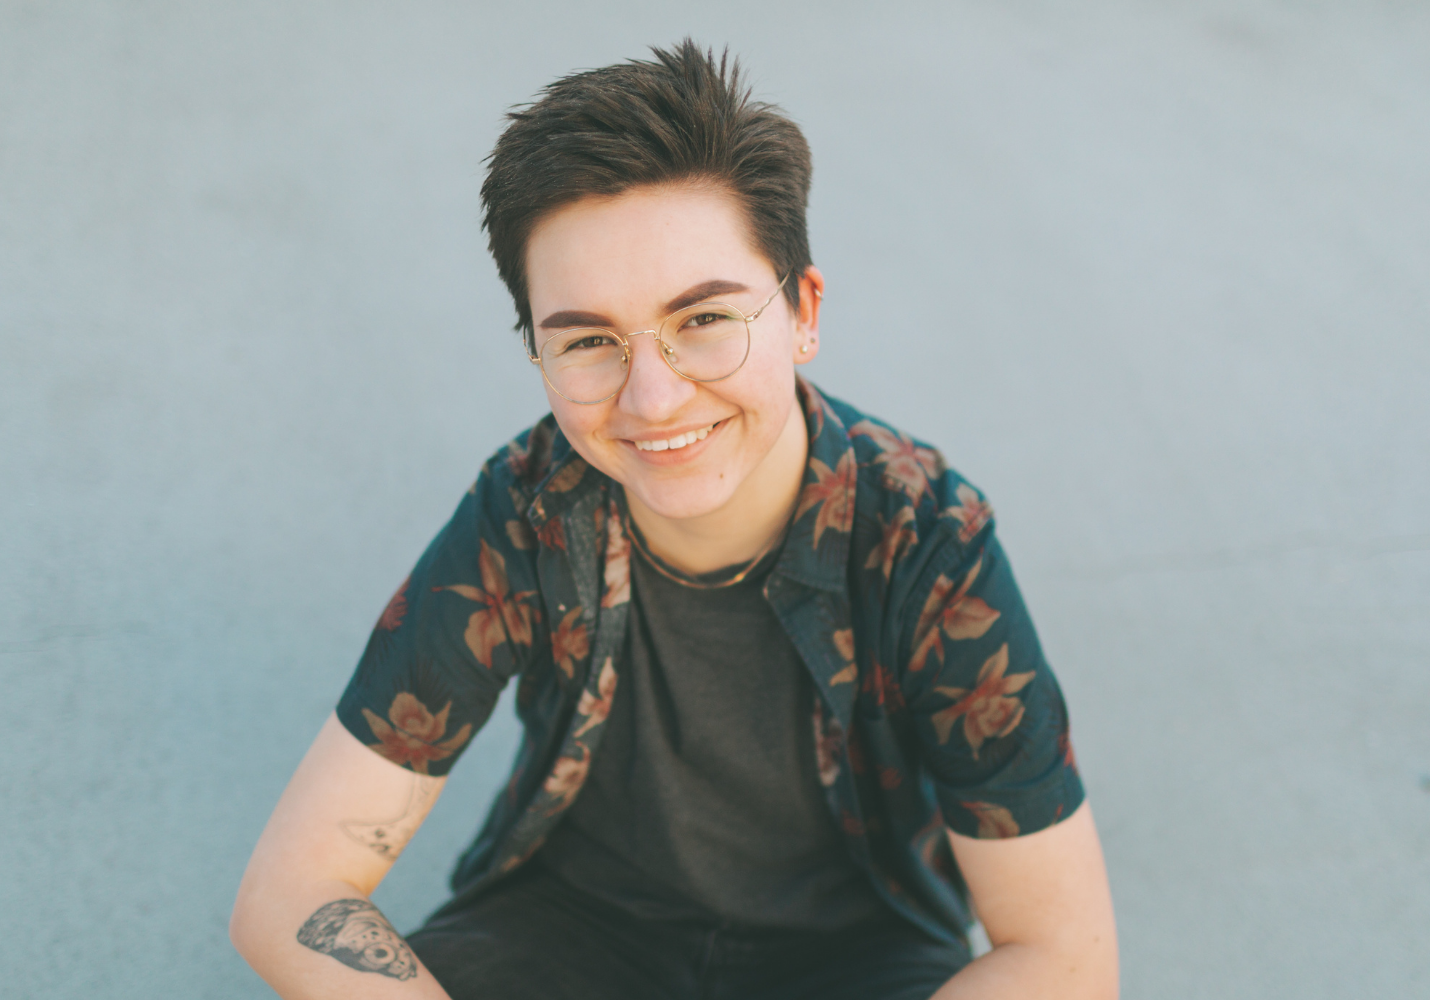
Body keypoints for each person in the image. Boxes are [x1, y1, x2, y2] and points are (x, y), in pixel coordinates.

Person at [230, 40, 1118, 1000]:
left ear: (803, 312)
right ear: (536, 350)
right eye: (590, 341)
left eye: (704, 320)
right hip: (570, 929)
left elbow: (1062, 959)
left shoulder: (926, 540)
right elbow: (291, 892)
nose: (652, 399)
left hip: (857, 950)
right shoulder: (530, 510)